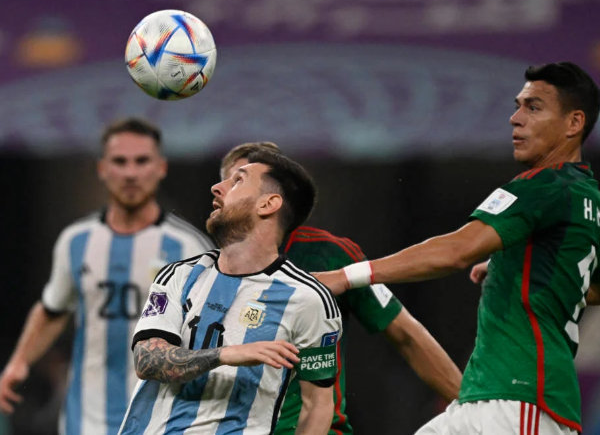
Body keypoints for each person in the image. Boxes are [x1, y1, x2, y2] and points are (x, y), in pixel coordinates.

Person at [315, 62, 600, 434]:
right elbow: (588, 286)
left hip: (519, 401)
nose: (515, 118)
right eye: (517, 106)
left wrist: (347, 276)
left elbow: (457, 251)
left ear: (574, 123)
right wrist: (511, 266)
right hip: (492, 398)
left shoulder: (543, 186)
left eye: (533, 107)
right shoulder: (587, 197)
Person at [220, 142, 462, 434]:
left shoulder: (328, 255)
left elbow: (406, 335)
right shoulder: (200, 269)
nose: (222, 190)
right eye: (228, 181)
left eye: (240, 181)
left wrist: (472, 409)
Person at [0, 118, 214, 435]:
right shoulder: (76, 241)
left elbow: (211, 329)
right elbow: (53, 309)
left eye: (141, 161)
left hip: (159, 420)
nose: (130, 173)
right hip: (85, 419)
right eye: (120, 161)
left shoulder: (190, 248)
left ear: (161, 168)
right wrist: (19, 362)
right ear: (102, 168)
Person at [119, 150, 343, 435]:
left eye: (238, 180)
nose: (217, 187)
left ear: (268, 203)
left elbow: (317, 406)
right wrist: (227, 354)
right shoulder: (178, 276)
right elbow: (146, 361)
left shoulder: (309, 299)